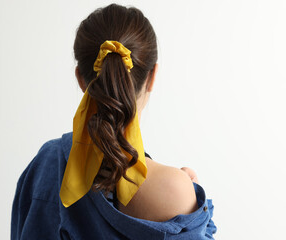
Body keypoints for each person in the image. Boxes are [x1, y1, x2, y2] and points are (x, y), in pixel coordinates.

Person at [11, 4, 217, 240]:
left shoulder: (45, 165)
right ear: (152, 77)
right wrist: (199, 216)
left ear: (80, 78)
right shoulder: (174, 189)